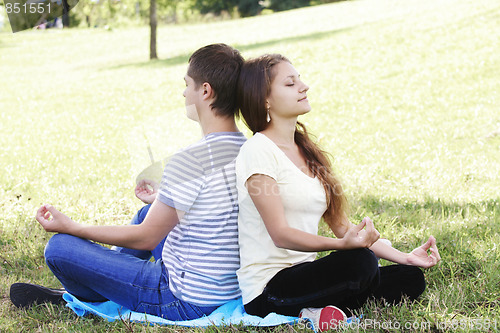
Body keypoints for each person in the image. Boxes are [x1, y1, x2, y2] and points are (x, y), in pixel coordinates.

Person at [10, 43, 247, 321]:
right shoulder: (245, 148)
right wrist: (163, 199)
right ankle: (103, 280)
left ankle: (94, 291)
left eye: (187, 84)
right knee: (149, 211)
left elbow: (147, 237)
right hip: (223, 288)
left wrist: (73, 227)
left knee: (60, 248)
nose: (184, 92)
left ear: (205, 91)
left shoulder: (191, 159)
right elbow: (217, 204)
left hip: (182, 298)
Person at [235, 54, 441, 331]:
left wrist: (405, 256)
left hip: (304, 276)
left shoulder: (306, 150)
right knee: (361, 262)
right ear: (265, 100)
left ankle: (321, 310)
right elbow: (280, 234)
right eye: (290, 83)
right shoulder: (257, 151)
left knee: (409, 278)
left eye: (300, 80)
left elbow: (344, 227)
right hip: (269, 289)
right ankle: (319, 308)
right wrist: (342, 246)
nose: (304, 87)